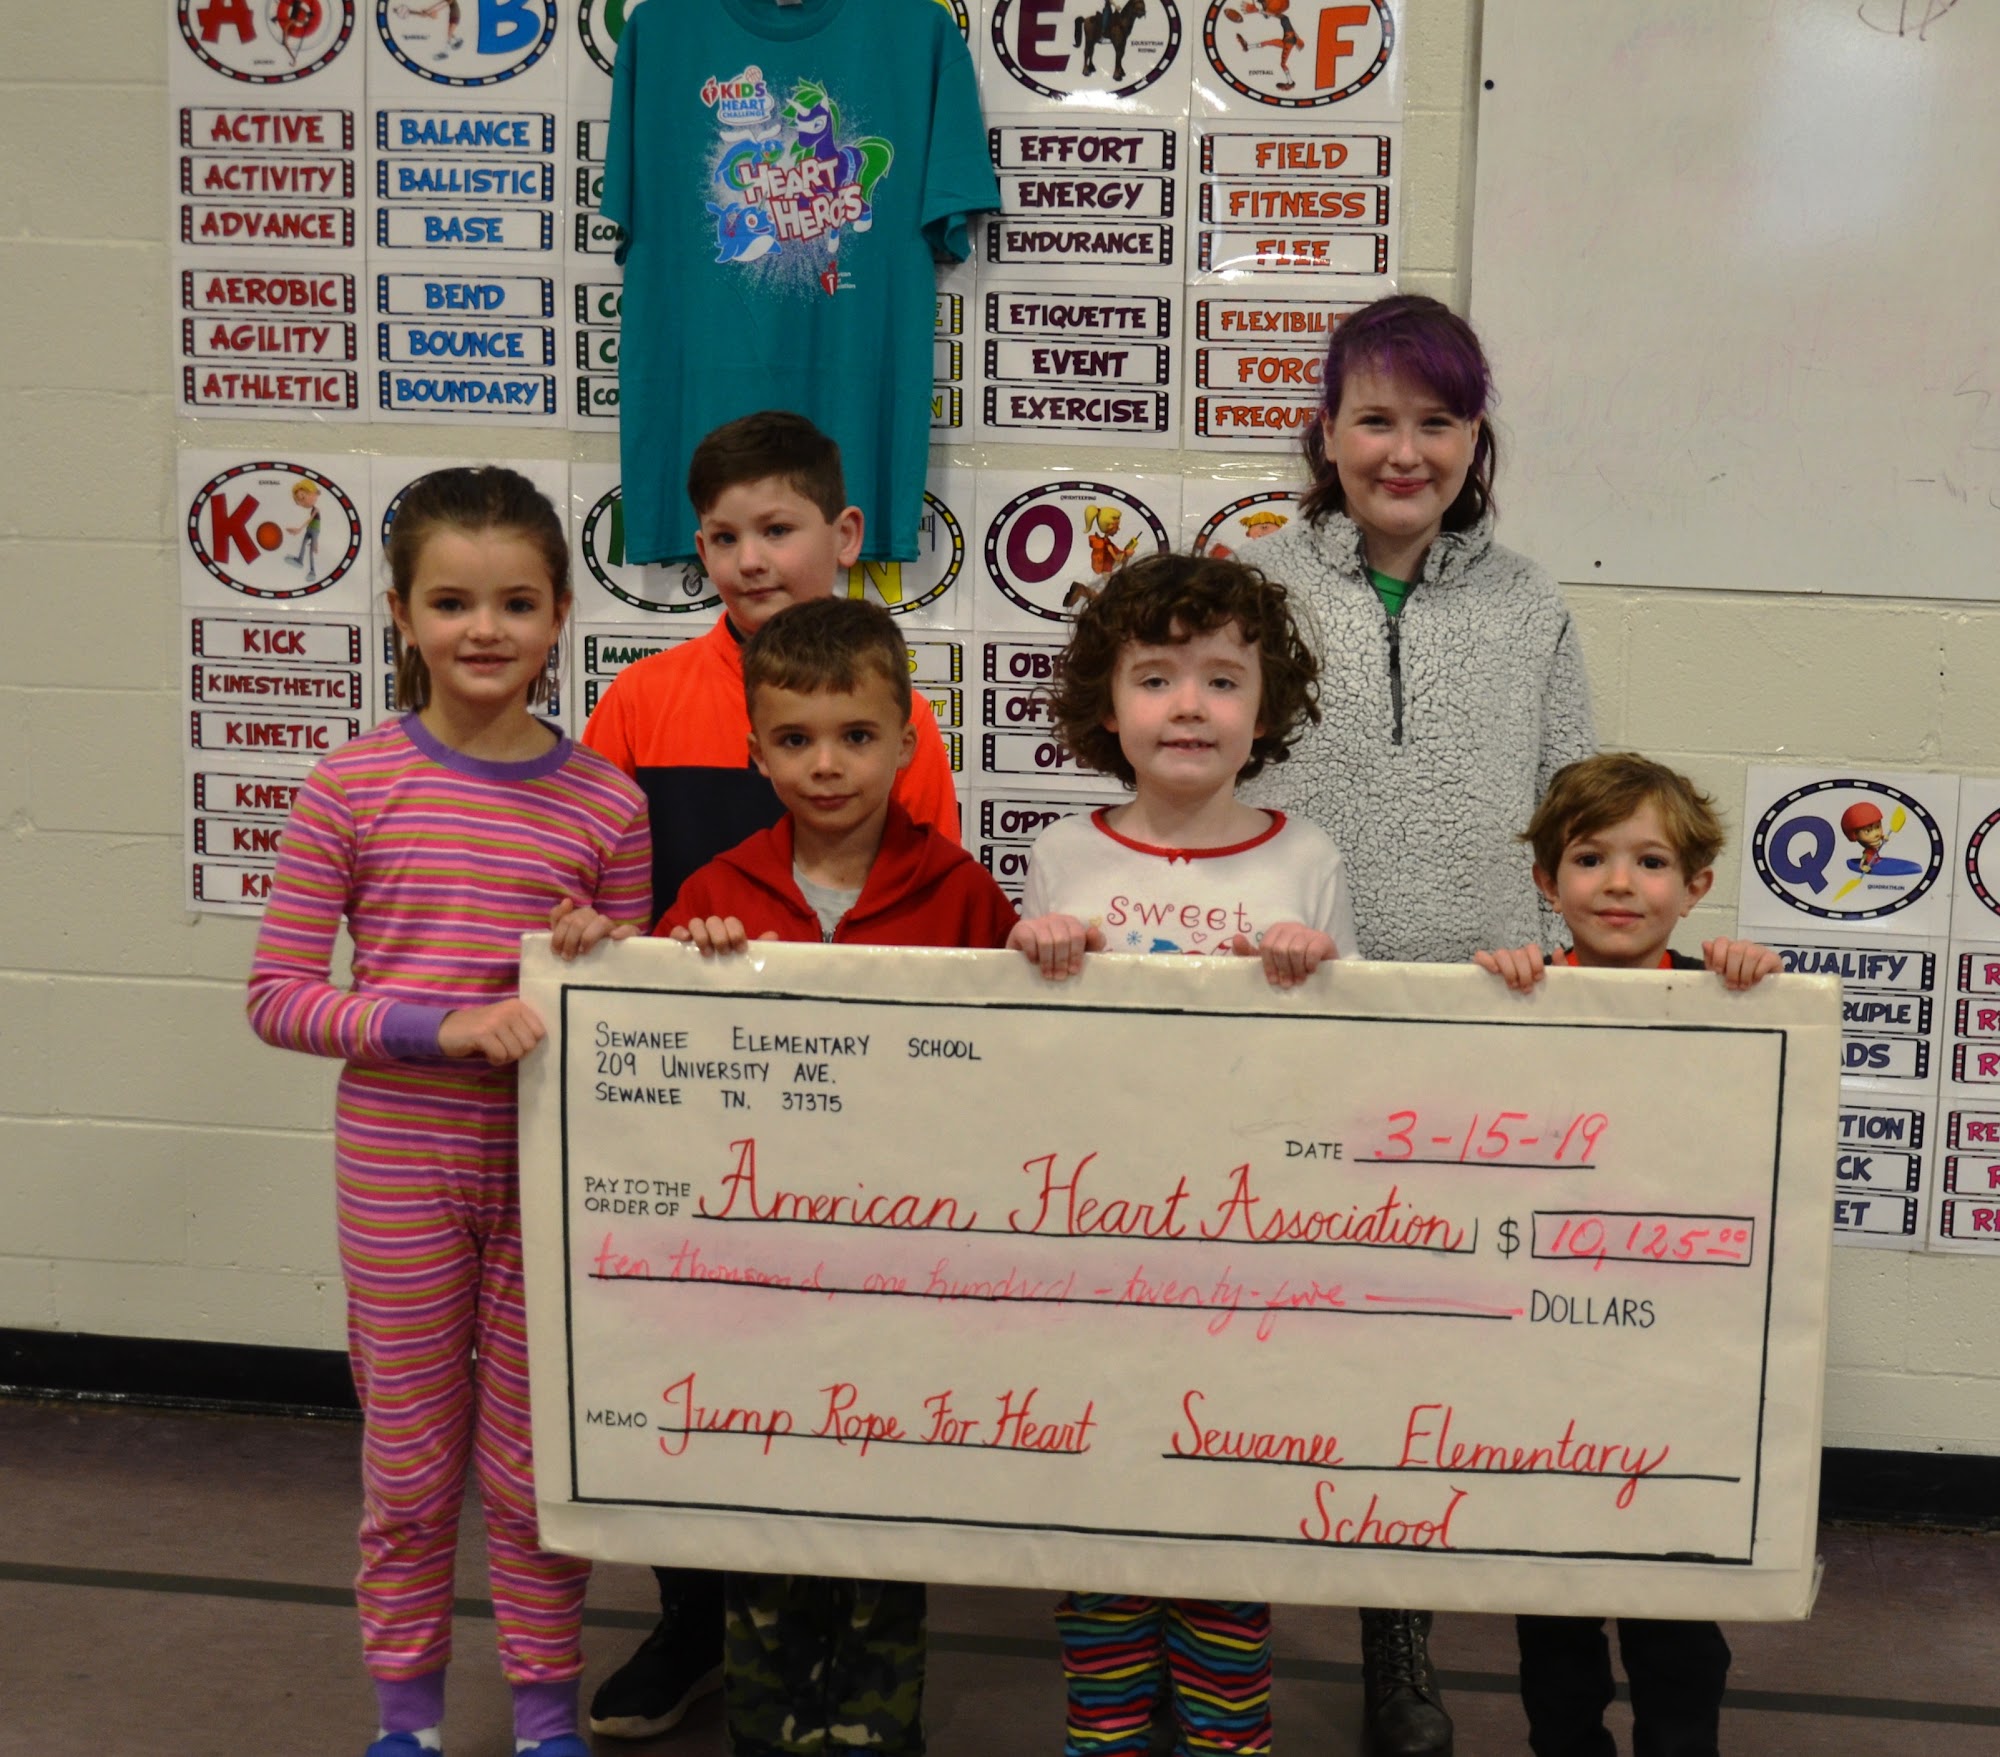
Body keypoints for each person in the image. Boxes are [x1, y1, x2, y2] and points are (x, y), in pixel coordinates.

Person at [562, 596, 1018, 1756]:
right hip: (754, 1284)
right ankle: (765, 1726)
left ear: (906, 738)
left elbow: (1017, 1074)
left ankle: (878, 1728)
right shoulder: (715, 892)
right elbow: (648, 1066)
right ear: (754, 750)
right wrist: (668, 963)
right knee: (758, 1518)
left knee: (883, 1526)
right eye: (796, 738)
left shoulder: (962, 893)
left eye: (856, 735)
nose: (826, 763)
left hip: (899, 1278)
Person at [245, 467, 652, 1757]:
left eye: (517, 602)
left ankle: (543, 1717)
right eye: (453, 601)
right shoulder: (349, 785)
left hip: (545, 1163)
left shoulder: (609, 801)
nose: (486, 628)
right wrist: (440, 1025)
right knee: (413, 1466)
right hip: (400, 1163)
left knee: (537, 1468)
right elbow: (277, 995)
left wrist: (603, 953)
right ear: (401, 614)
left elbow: (632, 1023)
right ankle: (407, 1720)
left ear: (561, 614)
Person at [1247, 290, 1599, 1757]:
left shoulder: (1528, 603)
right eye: (1375, 418)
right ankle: (1215, 1626)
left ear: (1474, 437)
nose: (1406, 449)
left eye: (1437, 420)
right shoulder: (1251, 584)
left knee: (1418, 1348)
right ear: (1326, 434)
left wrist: (1574, 961)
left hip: (1474, 1025)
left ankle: (1399, 1647)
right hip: (1291, 1014)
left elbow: (1577, 805)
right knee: (1268, 1334)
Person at [1006, 551, 1356, 1756]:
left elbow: (1343, 1068)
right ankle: (1103, 1724)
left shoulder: (1304, 857)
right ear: (1106, 707)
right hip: (1093, 1242)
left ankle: (1223, 1729)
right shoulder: (1063, 853)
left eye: (1220, 678)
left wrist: (1314, 976)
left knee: (1221, 1497)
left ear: (1265, 708)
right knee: (1096, 1488)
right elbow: (1025, 1062)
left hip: (1244, 1251)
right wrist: (1034, 951)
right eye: (1154, 678)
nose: (1188, 704)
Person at [1474, 751, 1777, 1757]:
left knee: (1675, 1613)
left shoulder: (1726, 999)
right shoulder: (1512, 997)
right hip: (1540, 1357)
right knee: (1554, 1607)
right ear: (1545, 879)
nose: (1617, 883)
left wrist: (1749, 990)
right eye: (1588, 857)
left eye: (1650, 862)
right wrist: (1488, 1004)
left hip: (1675, 1366)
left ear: (1695, 887)